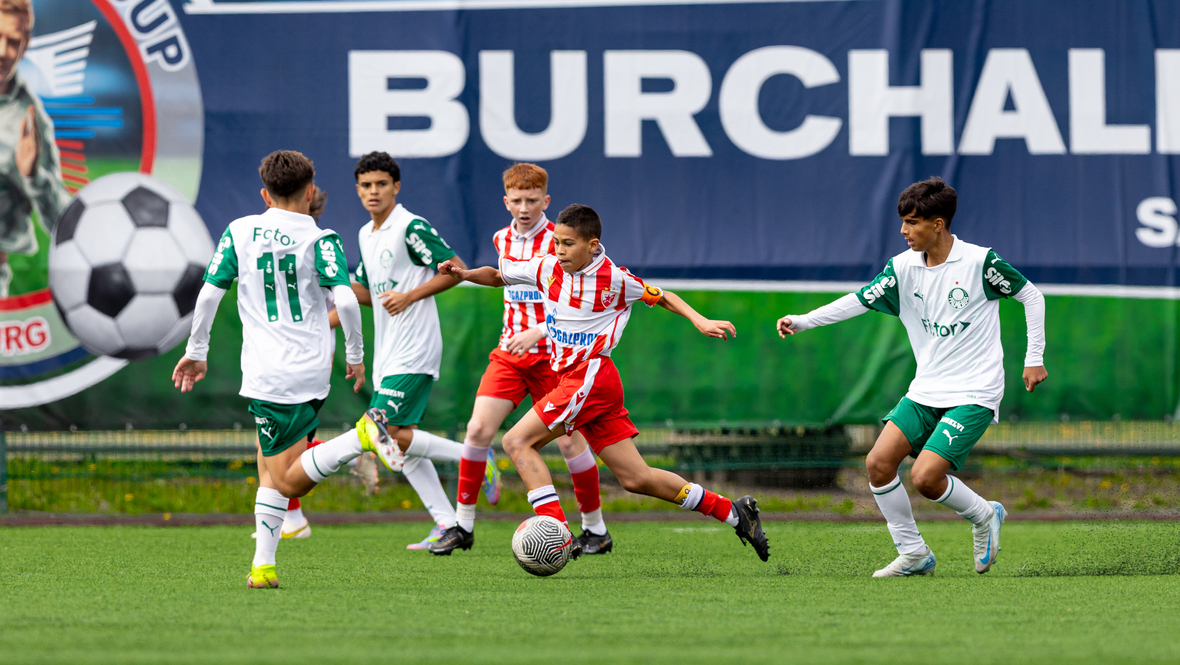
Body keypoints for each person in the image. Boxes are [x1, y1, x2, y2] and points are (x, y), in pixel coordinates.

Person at [439, 203, 770, 562]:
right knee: (636, 478)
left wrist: (699, 319)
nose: (559, 250)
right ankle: (734, 512)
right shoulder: (547, 266)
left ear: (592, 245)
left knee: (517, 441)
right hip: (583, 383)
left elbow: (663, 297)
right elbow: (498, 275)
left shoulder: (613, 278)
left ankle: (557, 534)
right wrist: (464, 273)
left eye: (568, 244)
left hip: (590, 377)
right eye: (556, 242)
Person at [776, 177, 1047, 577]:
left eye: (912, 223)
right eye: (903, 222)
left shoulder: (980, 263)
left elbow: (1031, 295)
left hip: (974, 390)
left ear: (938, 224)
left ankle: (984, 515)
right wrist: (803, 321)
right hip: (926, 389)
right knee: (878, 464)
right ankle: (915, 554)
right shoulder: (902, 268)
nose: (904, 231)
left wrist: (1034, 357)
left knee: (924, 477)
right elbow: (860, 300)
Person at [172, 151, 405, 589]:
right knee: (268, 466)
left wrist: (197, 350)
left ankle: (360, 437)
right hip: (313, 366)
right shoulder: (322, 238)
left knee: (287, 479)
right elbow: (349, 301)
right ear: (310, 190)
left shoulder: (240, 231)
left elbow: (208, 296)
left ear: (264, 193)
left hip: (269, 371)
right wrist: (355, 356)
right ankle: (263, 566)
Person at [430, 164, 612, 556]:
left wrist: (541, 330)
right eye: (517, 200)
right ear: (506, 202)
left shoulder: (563, 241)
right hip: (510, 354)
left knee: (570, 442)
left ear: (546, 200)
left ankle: (594, 529)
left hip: (556, 357)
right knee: (478, 430)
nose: (525, 207)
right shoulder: (502, 238)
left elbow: (580, 303)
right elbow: (499, 277)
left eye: (533, 200)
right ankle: (462, 525)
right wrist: (462, 274)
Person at [346, 151, 499, 551]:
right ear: (358, 190)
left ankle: (474, 458)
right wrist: (330, 291)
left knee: (386, 431)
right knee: (399, 438)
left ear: (396, 186)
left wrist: (411, 296)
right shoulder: (366, 235)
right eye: (366, 185)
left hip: (414, 348)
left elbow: (455, 267)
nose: (373, 191)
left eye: (381, 184)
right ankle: (448, 524)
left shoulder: (410, 227)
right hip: (387, 352)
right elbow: (369, 295)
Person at [0, 0, 68, 298]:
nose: (3, 52)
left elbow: (62, 222)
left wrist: (34, 177)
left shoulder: (28, 120)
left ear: (25, 45)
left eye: (13, 42)